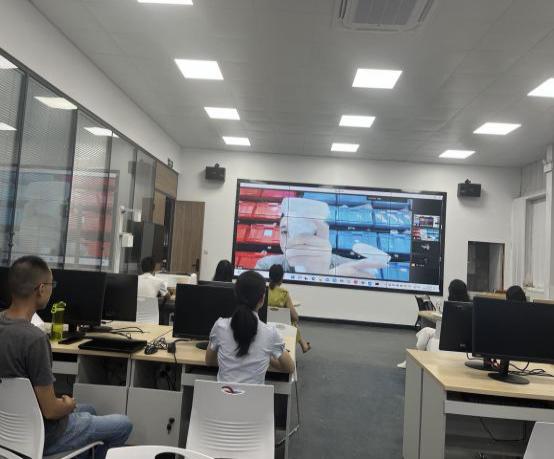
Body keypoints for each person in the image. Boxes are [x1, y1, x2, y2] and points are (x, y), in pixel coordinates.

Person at [0, 256, 132, 458]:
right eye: (51, 285)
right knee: (123, 424)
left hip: (6, 434)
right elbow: (51, 411)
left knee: (90, 409)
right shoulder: (35, 339)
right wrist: (68, 404)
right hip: (42, 436)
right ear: (41, 289)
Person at [256, 197, 390, 277]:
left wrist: (325, 276)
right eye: (285, 232)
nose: (292, 240)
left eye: (303, 233)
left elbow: (371, 279)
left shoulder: (342, 264)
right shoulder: (267, 265)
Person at [205, 270, 295, 384]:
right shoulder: (270, 334)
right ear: (262, 299)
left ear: (235, 295)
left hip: (222, 395)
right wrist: (269, 359)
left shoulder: (220, 326)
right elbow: (290, 367)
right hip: (255, 396)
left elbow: (209, 361)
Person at [397, 279, 471, 369]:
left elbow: (446, 325)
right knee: (426, 331)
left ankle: (410, 361)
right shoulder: (470, 306)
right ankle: (410, 360)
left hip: (447, 336)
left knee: (425, 332)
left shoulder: (451, 306)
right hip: (457, 336)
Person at [268, 264, 311, 353]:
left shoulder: (264, 291)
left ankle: (303, 344)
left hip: (266, 325)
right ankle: (303, 344)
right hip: (281, 327)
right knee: (293, 321)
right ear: (281, 278)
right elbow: (295, 317)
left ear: (270, 276)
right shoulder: (284, 293)